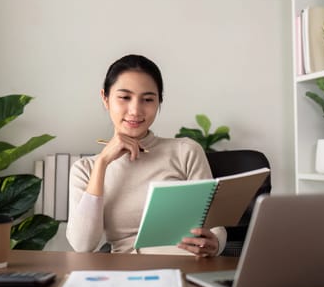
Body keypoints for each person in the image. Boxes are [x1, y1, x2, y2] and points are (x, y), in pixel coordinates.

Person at [66, 54, 226, 257]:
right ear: (105, 99)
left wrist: (216, 243)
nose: (135, 110)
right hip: (125, 274)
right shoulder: (86, 169)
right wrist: (103, 163)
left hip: (182, 268)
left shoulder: (186, 151)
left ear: (159, 102)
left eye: (148, 99)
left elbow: (214, 225)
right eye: (124, 97)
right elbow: (83, 245)